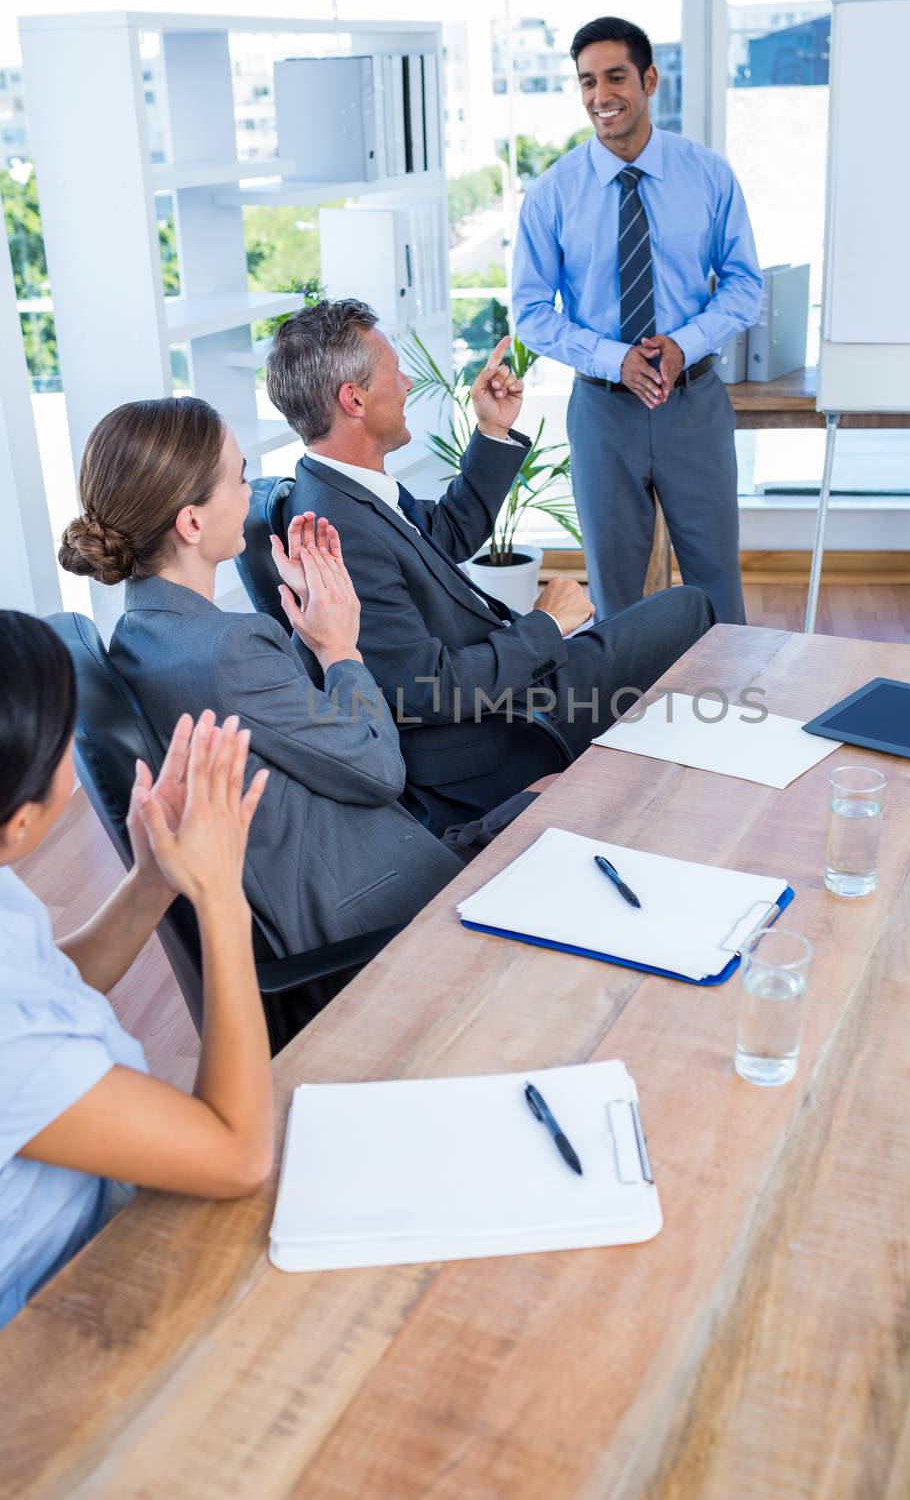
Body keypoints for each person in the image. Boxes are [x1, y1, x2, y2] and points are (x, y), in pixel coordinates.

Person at [59, 398, 523, 1034]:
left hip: (346, 869)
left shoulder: (146, 636)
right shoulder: (227, 651)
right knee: (566, 811)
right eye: (239, 476)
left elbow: (283, 735)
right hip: (385, 915)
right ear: (191, 522)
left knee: (547, 797)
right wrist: (340, 647)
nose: (251, 492)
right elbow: (382, 769)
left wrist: (303, 625)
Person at [266, 301, 715, 834]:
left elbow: (445, 534)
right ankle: (682, 807)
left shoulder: (343, 487)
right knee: (691, 607)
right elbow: (429, 689)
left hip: (505, 683)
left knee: (669, 620)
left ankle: (648, 785)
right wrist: (546, 624)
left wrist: (492, 431)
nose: (408, 383)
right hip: (496, 733)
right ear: (354, 399)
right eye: (395, 372)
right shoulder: (337, 531)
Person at [0, 608, 273, 1326]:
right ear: (21, 822)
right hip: (49, 1333)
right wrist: (220, 897)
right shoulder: (12, 1049)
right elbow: (238, 1154)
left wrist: (152, 879)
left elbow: (44, 991)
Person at [511, 14, 764, 624]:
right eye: (588, 82)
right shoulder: (553, 192)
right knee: (613, 592)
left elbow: (744, 284)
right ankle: (623, 717)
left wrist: (681, 343)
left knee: (715, 586)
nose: (601, 96)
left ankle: (726, 707)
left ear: (649, 79)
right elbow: (529, 311)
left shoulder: (707, 175)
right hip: (603, 414)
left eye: (616, 77)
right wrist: (612, 358)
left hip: (693, 406)